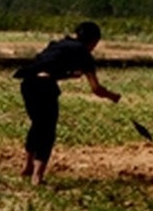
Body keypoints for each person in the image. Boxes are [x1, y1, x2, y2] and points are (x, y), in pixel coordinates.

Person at [14, 22, 121, 185]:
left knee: (37, 125)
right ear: (94, 41)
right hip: (45, 88)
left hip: (28, 84)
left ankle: (27, 166)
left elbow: (46, 68)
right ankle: (37, 176)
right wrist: (113, 96)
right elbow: (96, 88)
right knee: (47, 130)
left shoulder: (60, 44)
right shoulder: (84, 54)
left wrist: (69, 75)